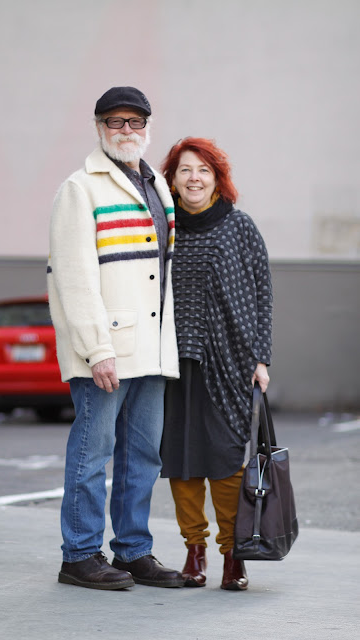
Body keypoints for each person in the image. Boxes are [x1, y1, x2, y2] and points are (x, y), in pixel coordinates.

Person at [47, 86, 183, 591]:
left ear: (148, 127)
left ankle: (132, 551)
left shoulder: (158, 186)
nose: (126, 130)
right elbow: (73, 278)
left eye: (134, 122)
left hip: (151, 348)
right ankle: (79, 555)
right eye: (115, 121)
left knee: (142, 456)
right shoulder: (80, 188)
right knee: (92, 453)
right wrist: (96, 349)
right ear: (99, 127)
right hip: (106, 351)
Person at [160, 137, 273, 591]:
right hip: (169, 359)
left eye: (203, 170)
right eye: (185, 170)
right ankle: (194, 549)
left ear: (216, 178)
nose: (193, 178)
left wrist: (261, 357)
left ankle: (232, 552)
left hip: (229, 359)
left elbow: (263, 293)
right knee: (181, 457)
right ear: (172, 178)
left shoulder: (240, 227)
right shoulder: (163, 227)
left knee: (227, 458)